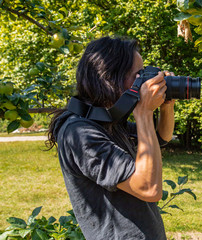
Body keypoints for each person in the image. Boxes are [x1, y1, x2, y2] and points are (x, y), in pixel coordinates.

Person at [47, 36, 175, 240]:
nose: (143, 81)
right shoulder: (79, 132)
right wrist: (143, 113)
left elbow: (160, 138)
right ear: (109, 78)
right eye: (138, 75)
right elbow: (149, 188)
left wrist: (166, 105)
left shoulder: (109, 119)